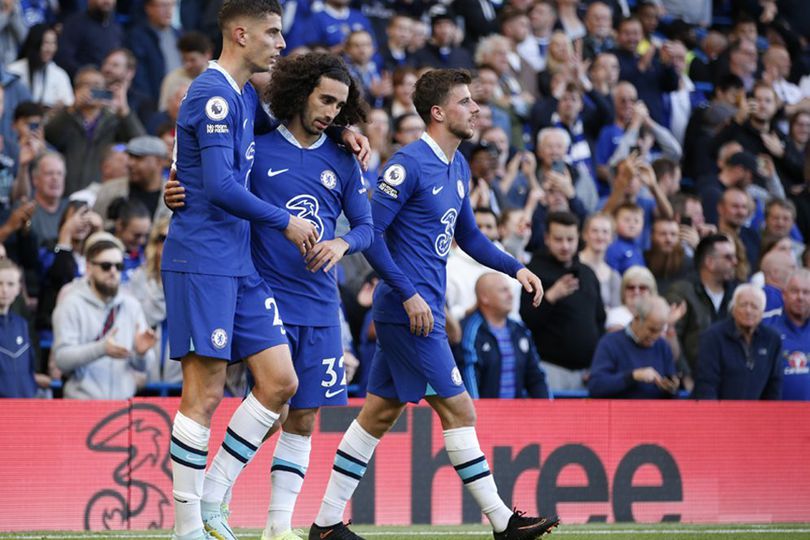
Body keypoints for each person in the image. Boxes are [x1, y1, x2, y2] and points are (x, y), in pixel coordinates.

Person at [308, 68, 554, 540]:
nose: (476, 108)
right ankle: (504, 523)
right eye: (465, 102)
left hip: (421, 306)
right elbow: (371, 233)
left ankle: (324, 524)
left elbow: (469, 236)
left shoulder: (458, 165)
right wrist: (409, 292)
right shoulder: (408, 165)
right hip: (409, 311)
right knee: (460, 410)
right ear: (438, 113)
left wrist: (512, 267)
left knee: (378, 414)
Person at [160, 2, 313, 539]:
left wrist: (341, 133)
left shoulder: (246, 94)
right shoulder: (212, 92)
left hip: (238, 261)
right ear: (241, 33)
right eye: (272, 32)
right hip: (201, 258)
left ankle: (213, 494)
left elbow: (278, 137)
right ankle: (186, 530)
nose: (280, 43)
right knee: (202, 394)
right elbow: (223, 187)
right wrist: (285, 221)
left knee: (279, 381)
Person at [241, 52, 372, 540]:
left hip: (321, 302)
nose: (333, 112)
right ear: (300, 93)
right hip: (266, 294)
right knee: (272, 400)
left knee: (305, 415)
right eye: (325, 99)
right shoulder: (257, 145)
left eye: (341, 105)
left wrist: (342, 242)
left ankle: (279, 525)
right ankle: (212, 495)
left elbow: (366, 228)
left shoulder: (343, 157)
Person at [52, 231, 156, 399]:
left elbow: (144, 367)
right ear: (88, 267)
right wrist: (101, 349)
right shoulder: (71, 303)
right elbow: (62, 360)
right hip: (81, 407)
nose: (113, 271)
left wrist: (141, 353)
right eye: (106, 266)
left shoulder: (131, 305)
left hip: (122, 408)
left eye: (119, 266)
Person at [521, 211, 605, 391]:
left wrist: (598, 364)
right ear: (546, 238)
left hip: (586, 372)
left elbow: (600, 320)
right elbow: (526, 321)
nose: (565, 246)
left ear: (579, 239)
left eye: (570, 239)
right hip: (550, 368)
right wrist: (551, 296)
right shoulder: (533, 272)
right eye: (558, 239)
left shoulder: (587, 274)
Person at [459, 272, 550, 399]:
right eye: (503, 290)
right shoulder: (469, 330)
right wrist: (476, 414)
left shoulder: (520, 330)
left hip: (513, 414)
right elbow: (468, 375)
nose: (511, 295)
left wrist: (548, 410)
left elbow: (536, 377)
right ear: (484, 297)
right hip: (482, 414)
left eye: (510, 290)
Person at [666, 234, 738, 382]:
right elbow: (673, 336)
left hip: (730, 383)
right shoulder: (682, 292)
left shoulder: (737, 294)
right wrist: (685, 376)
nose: (735, 262)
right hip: (694, 383)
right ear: (710, 262)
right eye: (728, 257)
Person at [694, 284, 782, 400]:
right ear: (733, 309)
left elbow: (774, 385)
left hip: (755, 414)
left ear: (762, 313)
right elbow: (706, 384)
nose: (748, 311)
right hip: (718, 412)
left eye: (754, 306)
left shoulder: (772, 340)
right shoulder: (712, 337)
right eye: (743, 305)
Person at [589, 295, 679, 399]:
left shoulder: (662, 346)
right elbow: (596, 386)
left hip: (656, 412)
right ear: (637, 318)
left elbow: (673, 393)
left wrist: (671, 387)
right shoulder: (610, 343)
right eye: (652, 330)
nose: (656, 336)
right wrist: (633, 376)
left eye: (660, 330)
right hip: (620, 412)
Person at [94, 135, 170, 227]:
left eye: (138, 158)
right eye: (130, 157)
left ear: (159, 162)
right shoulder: (109, 190)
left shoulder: (172, 194)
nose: (130, 163)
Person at [764, 269, 810, 401]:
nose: (800, 297)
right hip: (776, 416)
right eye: (795, 291)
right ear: (784, 294)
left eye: (806, 292)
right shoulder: (767, 324)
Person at [0, 258, 41, 398]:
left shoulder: (21, 324)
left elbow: (28, 367)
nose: (4, 290)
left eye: (10, 284)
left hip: (23, 407)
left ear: (19, 288)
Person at [7, 24, 74, 108]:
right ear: (34, 43)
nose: (50, 49)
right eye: (46, 43)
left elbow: (69, 105)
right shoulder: (13, 71)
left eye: (53, 43)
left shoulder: (60, 75)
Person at [578, 212, 621, 309]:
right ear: (585, 235)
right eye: (594, 231)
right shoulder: (572, 263)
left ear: (611, 238)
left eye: (605, 232)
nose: (600, 236)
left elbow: (616, 311)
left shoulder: (614, 277)